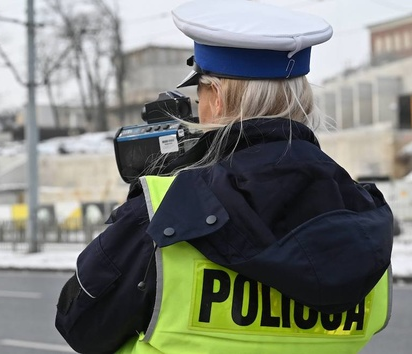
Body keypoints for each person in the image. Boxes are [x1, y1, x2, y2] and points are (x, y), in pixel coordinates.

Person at [55, 1, 394, 353]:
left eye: (199, 92)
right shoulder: (366, 216)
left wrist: (165, 195)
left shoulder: (166, 213)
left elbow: (79, 323)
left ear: (215, 98)